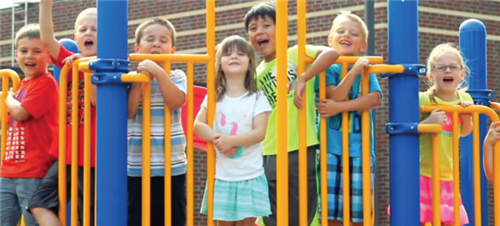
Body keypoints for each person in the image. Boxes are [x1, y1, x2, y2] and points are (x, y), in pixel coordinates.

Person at [244, 3, 340, 226]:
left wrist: (304, 78)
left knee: (302, 207)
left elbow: (331, 53)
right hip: (268, 148)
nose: (259, 31)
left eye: (266, 25)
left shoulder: (295, 53)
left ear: (282, 29)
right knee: (270, 209)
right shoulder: (256, 73)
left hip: (301, 143)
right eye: (253, 28)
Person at [295, 11, 381, 226]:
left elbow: (373, 99)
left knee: (358, 213)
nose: (347, 35)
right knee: (330, 212)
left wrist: (338, 108)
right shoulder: (329, 68)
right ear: (330, 40)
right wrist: (352, 74)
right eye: (341, 31)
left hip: (360, 150)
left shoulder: (366, 69)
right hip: (330, 150)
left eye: (353, 33)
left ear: (363, 45)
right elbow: (334, 95)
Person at [28, 1, 98, 225]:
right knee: (39, 204)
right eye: (83, 29)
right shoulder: (70, 61)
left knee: (88, 217)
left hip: (94, 158)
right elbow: (47, 39)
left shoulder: (109, 66)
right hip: (67, 155)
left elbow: (97, 99)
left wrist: (89, 66)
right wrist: (46, 4)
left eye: (96, 29)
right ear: (76, 38)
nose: (89, 33)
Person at [195, 35, 272, 226]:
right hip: (223, 176)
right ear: (220, 65)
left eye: (240, 53)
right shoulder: (214, 98)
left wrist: (232, 141)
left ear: (249, 64)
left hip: (250, 175)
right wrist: (219, 139)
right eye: (227, 54)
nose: (234, 56)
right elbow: (198, 124)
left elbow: (259, 132)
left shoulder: (257, 97)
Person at [127, 18, 187, 226]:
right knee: (137, 218)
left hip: (172, 166)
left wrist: (159, 72)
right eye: (150, 39)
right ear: (137, 48)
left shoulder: (176, 75)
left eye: (163, 40)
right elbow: (128, 111)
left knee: (173, 218)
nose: (156, 44)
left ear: (172, 51)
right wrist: (139, 81)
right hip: (137, 165)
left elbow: (176, 101)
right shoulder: (131, 78)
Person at [0, 23, 58, 226]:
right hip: (8, 170)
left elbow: (21, 113)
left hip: (34, 170)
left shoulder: (46, 82)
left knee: (35, 221)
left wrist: (7, 99)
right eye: (24, 51)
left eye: (37, 51)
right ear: (16, 55)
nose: (29, 56)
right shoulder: (22, 85)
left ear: (49, 56)